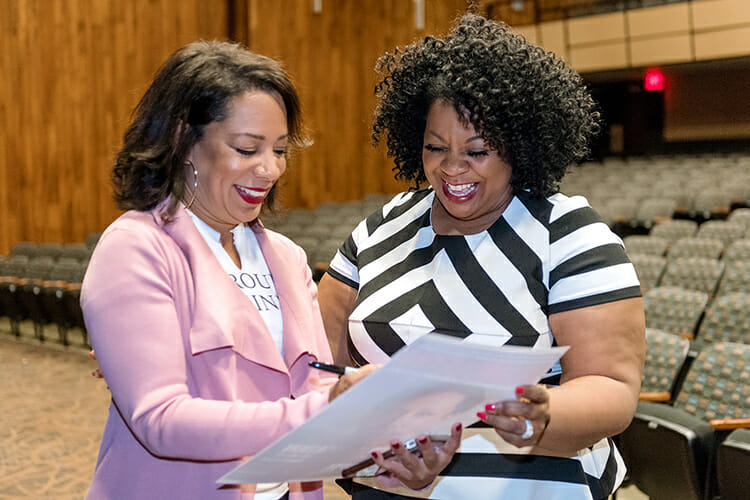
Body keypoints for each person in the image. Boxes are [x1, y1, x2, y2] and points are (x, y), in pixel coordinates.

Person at [81, 40, 461, 500]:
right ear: (183, 140)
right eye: (246, 148)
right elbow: (160, 420)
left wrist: (393, 455)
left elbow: (317, 386)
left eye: (280, 150)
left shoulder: (285, 257)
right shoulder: (138, 247)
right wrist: (328, 407)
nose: (269, 169)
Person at [317, 13, 646, 500]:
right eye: (435, 147)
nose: (452, 167)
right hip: (384, 488)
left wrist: (544, 415)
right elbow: (320, 358)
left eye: (478, 151)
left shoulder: (568, 233)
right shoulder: (383, 226)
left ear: (518, 145)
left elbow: (611, 387)